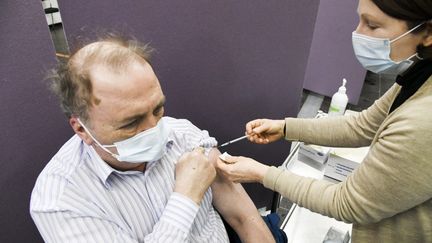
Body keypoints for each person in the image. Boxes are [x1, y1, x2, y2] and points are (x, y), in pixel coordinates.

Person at [216, 0, 432, 242]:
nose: (357, 34)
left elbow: (347, 203)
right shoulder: (422, 74)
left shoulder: (423, 121)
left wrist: (262, 174)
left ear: (428, 32)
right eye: (360, 19)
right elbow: (362, 126)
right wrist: (287, 127)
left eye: (372, 25)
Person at [30, 36, 275, 243]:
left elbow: (246, 219)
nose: (155, 129)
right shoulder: (60, 201)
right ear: (81, 129)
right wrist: (185, 198)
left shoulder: (184, 135)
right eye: (130, 123)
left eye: (158, 110)